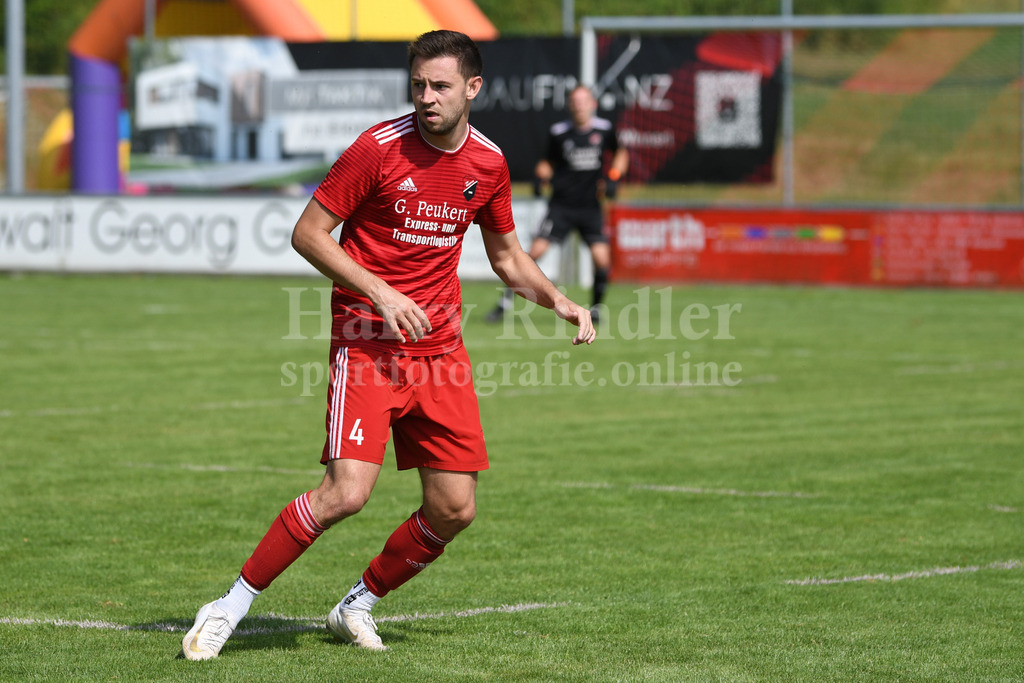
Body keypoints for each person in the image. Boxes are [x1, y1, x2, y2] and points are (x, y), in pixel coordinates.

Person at [181, 30, 596, 660]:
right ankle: (228, 606)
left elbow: (509, 258)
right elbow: (309, 233)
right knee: (346, 493)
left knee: (455, 508)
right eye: (419, 86)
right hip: (366, 343)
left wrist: (558, 299)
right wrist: (379, 292)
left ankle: (357, 604)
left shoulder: (488, 163)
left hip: (441, 354)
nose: (427, 98)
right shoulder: (377, 149)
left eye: (441, 86)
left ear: (473, 89)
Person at [486, 84, 629, 326]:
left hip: (590, 208)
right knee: (533, 254)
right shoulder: (559, 132)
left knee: (602, 260)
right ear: (569, 106)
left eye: (584, 101)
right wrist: (541, 177)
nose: (579, 106)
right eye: (575, 101)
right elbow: (546, 163)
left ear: (593, 104)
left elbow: (621, 154)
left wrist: (614, 176)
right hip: (561, 206)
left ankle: (595, 309)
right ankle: (504, 304)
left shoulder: (604, 130)